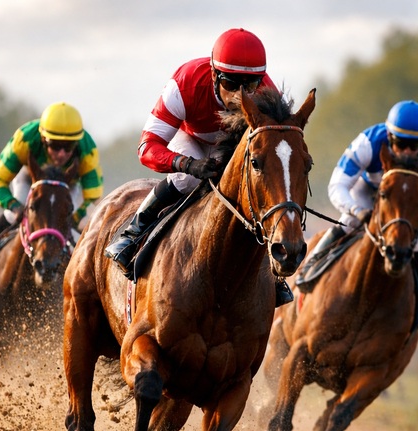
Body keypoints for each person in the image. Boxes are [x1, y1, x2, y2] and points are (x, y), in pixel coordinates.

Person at [104, 28, 294, 306]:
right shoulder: (185, 83)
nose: (241, 95)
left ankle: (272, 275)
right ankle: (134, 233)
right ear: (215, 75)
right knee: (186, 181)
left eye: (250, 85)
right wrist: (188, 164)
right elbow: (147, 147)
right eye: (231, 83)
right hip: (191, 138)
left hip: (235, 145)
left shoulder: (267, 92)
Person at [300, 100, 418, 328]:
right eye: (402, 144)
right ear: (390, 137)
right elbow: (337, 185)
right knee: (349, 221)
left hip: (404, 202)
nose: (409, 152)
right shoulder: (369, 142)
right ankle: (311, 266)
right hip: (367, 190)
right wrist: (358, 210)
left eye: (415, 145)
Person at [0, 102, 104, 277]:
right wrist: (13, 205)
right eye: (56, 145)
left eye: (69, 147)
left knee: (80, 224)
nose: (62, 153)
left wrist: (73, 217)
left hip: (67, 186)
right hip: (30, 178)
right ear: (43, 139)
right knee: (12, 215)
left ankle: (95, 277)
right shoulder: (25, 138)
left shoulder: (87, 148)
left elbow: (93, 194)